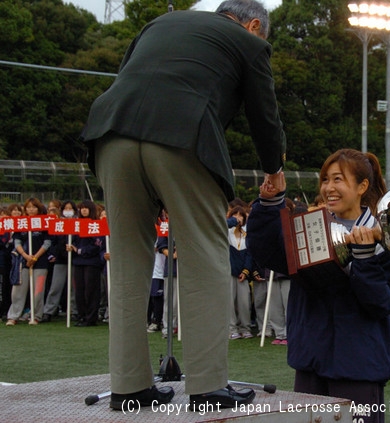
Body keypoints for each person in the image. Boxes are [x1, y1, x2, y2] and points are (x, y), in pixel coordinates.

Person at [80, 0, 286, 411]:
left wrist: (150, 185)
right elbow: (264, 114)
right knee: (206, 257)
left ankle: (128, 387)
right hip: (183, 135)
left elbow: (134, 80)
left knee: (126, 264)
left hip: (112, 132)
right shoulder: (249, 43)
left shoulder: (160, 23)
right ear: (252, 25)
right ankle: (208, 386)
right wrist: (274, 169)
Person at [247, 149, 390, 423]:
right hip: (310, 359)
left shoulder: (382, 236)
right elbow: (268, 253)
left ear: (362, 186)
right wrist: (270, 203)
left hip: (359, 366)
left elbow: (381, 303)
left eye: (338, 179)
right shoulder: (313, 228)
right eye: (325, 179)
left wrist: (363, 258)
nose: (329, 187)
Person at [5, 198, 52, 326]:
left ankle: (36, 315)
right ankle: (13, 316)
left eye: (34, 207)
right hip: (23, 262)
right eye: (28, 207)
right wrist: (26, 256)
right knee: (18, 291)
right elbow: (17, 242)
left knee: (38, 291)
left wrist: (35, 257)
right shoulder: (22, 223)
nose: (31, 209)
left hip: (40, 262)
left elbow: (47, 243)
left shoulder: (44, 223)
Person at [68, 200, 105, 327]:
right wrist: (71, 247)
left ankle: (91, 317)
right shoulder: (77, 224)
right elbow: (73, 240)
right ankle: (82, 315)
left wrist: (80, 250)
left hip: (92, 262)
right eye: (81, 208)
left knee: (91, 290)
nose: (83, 210)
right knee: (79, 290)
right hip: (78, 262)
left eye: (86, 208)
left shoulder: (96, 224)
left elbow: (97, 245)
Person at [42, 200, 78, 322]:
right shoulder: (58, 224)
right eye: (66, 209)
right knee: (55, 286)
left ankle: (74, 311)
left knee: (74, 287)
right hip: (60, 259)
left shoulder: (78, 223)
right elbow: (54, 241)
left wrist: (73, 248)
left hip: (75, 259)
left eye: (70, 208)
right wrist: (57, 252)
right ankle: (48, 311)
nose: (68, 211)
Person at [227, 205, 254, 340]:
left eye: (241, 215)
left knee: (244, 302)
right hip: (229, 273)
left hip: (242, 274)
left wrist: (246, 270)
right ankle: (232, 328)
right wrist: (233, 220)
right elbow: (223, 225)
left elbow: (250, 254)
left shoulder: (247, 234)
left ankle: (245, 327)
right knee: (230, 302)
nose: (238, 218)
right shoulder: (227, 232)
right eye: (235, 215)